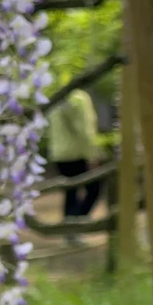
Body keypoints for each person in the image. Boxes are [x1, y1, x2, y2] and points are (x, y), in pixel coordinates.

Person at [48, 88, 103, 243]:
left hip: (59, 153)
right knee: (94, 189)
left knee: (71, 192)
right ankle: (76, 227)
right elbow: (84, 130)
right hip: (77, 153)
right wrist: (92, 154)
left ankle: (70, 231)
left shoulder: (57, 97)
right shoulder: (79, 98)